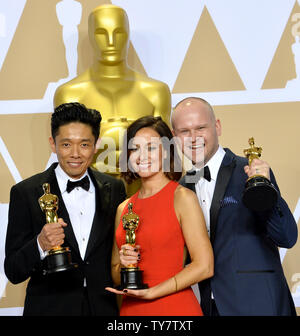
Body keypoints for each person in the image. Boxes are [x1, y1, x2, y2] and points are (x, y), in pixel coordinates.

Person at [171, 97, 298, 316]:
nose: (193, 138)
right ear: (175, 137)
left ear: (217, 126)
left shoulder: (249, 171)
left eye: (201, 128)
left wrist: (266, 193)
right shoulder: (180, 189)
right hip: (206, 307)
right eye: (184, 131)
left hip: (259, 305)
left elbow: (286, 237)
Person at [4, 102, 126, 316]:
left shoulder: (114, 188)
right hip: (50, 310)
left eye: (84, 144)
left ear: (96, 144)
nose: (75, 154)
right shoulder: (26, 192)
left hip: (103, 309)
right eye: (67, 144)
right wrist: (40, 243)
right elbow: (13, 270)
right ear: (53, 144)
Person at [105, 116, 214, 316]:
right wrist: (124, 262)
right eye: (135, 148)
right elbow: (115, 274)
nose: (142, 155)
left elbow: (205, 266)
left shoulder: (182, 198)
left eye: (151, 148)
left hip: (174, 309)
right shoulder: (124, 208)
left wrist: (152, 292)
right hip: (132, 310)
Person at [54, 4, 171, 175]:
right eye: (101, 33)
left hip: (144, 195)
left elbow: (166, 158)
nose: (111, 42)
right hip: (91, 195)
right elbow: (69, 156)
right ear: (91, 37)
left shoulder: (155, 91)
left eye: (119, 33)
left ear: (128, 35)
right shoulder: (70, 94)